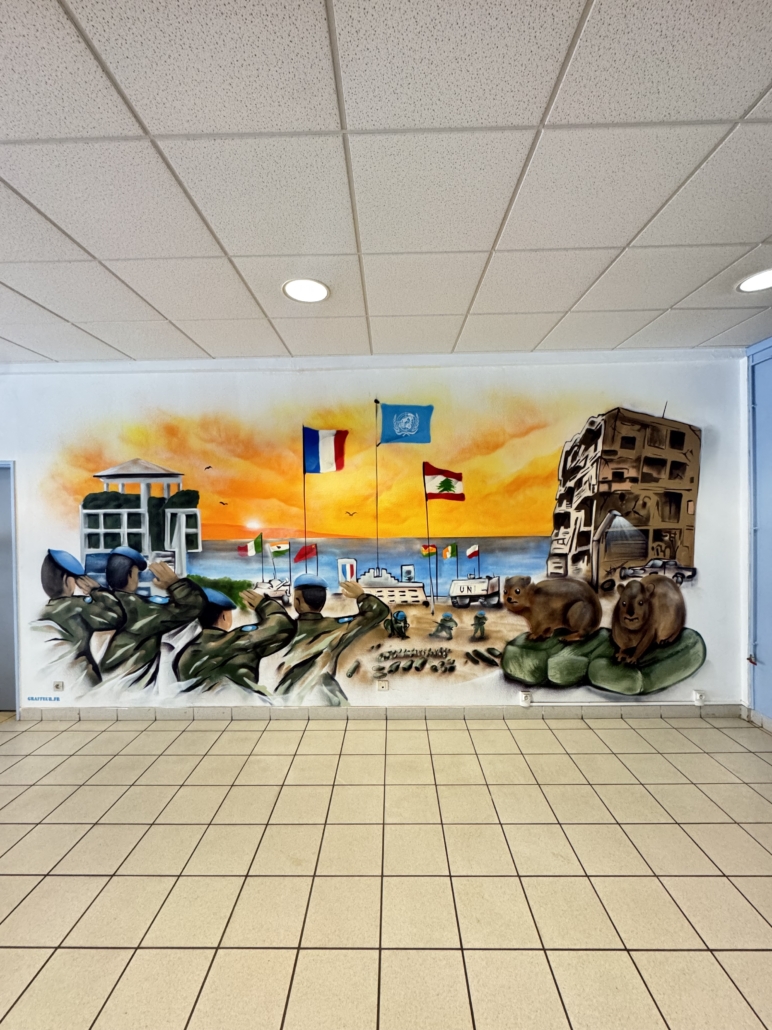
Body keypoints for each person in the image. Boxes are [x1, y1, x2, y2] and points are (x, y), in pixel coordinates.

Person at [273, 575, 389, 706]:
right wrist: (361, 596)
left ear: (297, 602)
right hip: (327, 694)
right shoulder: (338, 626)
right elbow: (378, 611)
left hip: (287, 696)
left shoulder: (282, 629)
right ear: (322, 603)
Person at [99, 546, 206, 686]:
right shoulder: (138, 609)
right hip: (130, 683)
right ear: (130, 575)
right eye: (136, 574)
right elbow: (192, 606)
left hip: (105, 678)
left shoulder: (101, 600)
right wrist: (174, 583)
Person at [174, 586, 295, 696]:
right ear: (224, 617)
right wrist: (264, 604)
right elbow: (282, 626)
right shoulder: (238, 640)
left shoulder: (185, 654)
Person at [37, 549, 125, 682]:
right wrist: (97, 590)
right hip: (81, 677)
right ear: (68, 581)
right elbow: (117, 616)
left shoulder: (44, 611)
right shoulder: (78, 606)